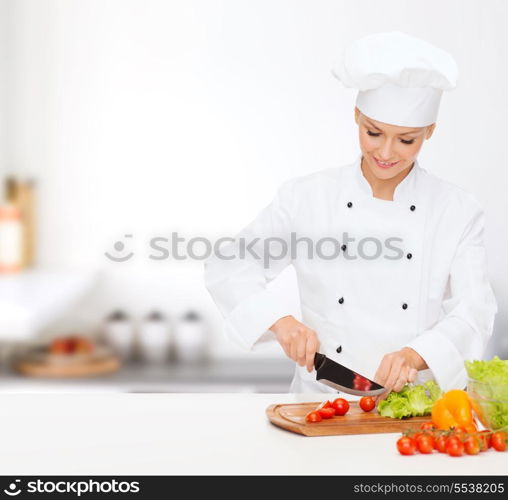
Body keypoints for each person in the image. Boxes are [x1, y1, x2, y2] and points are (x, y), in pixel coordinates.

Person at [204, 32, 498, 394]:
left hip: (410, 407)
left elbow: (475, 310)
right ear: (357, 116)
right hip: (320, 403)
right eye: (374, 133)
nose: (386, 152)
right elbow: (231, 264)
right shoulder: (306, 197)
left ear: (429, 131)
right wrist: (280, 322)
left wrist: (416, 355)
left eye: (407, 140)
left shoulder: (456, 211)